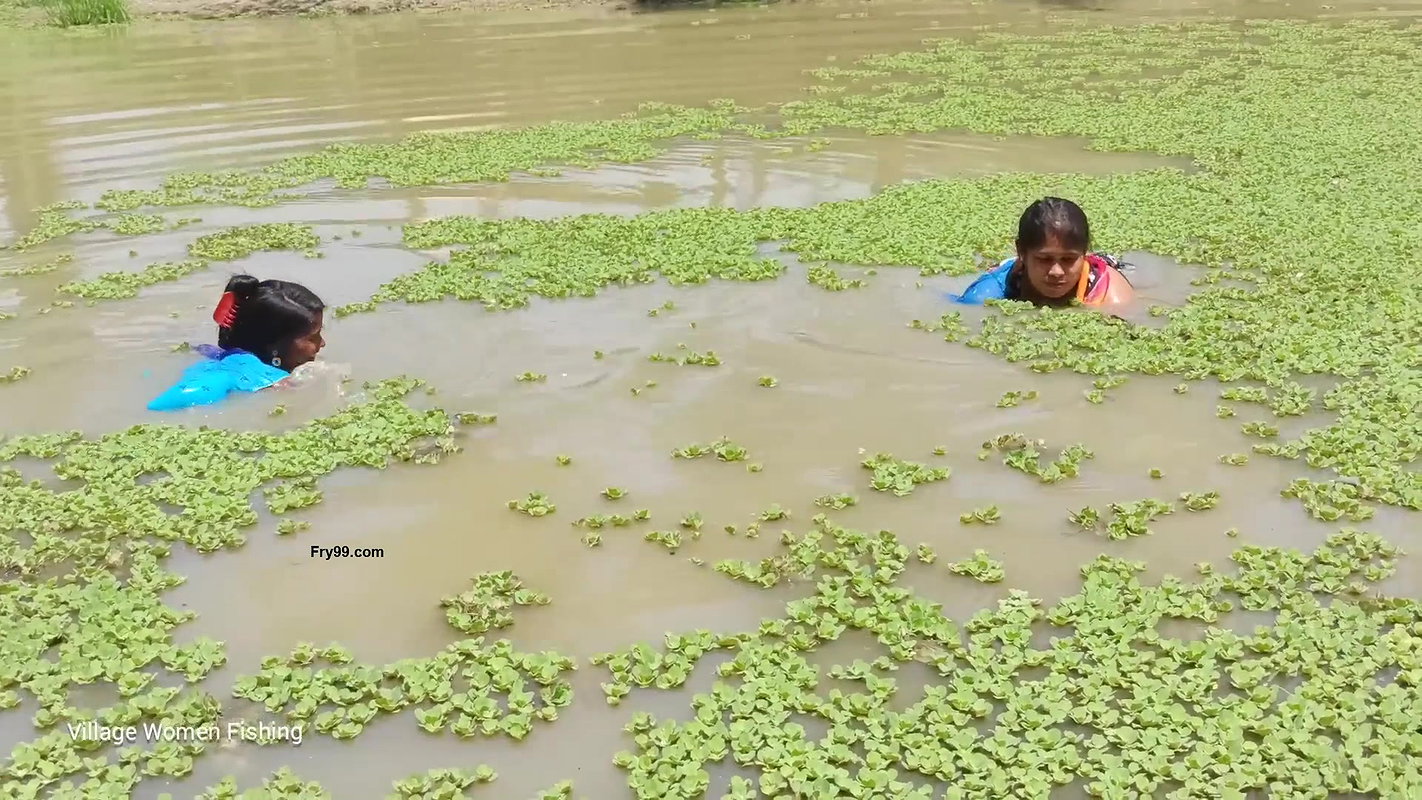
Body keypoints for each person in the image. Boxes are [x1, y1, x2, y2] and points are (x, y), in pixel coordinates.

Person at [148, 275, 325, 411]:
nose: (322, 343)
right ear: (275, 346)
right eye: (312, 337)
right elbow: (165, 403)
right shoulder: (269, 380)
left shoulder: (217, 353)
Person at [950, 197, 1134, 308]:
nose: (1056, 272)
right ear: (1022, 252)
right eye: (1044, 259)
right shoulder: (986, 295)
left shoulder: (1111, 293)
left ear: (1083, 254)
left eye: (1068, 259)